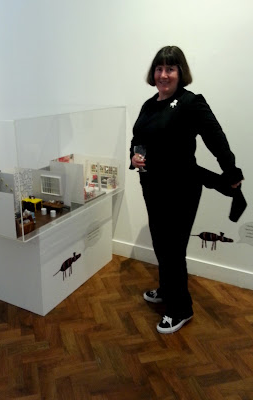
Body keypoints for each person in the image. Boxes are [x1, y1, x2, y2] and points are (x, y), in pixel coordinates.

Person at [130, 46, 244, 334]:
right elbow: (138, 139)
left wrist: (230, 171)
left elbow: (216, 138)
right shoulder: (149, 104)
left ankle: (181, 309)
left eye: (170, 69)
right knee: (161, 244)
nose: (163, 74)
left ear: (181, 73)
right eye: (159, 68)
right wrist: (134, 156)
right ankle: (168, 291)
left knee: (172, 248)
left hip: (181, 188)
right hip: (152, 186)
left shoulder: (190, 103)